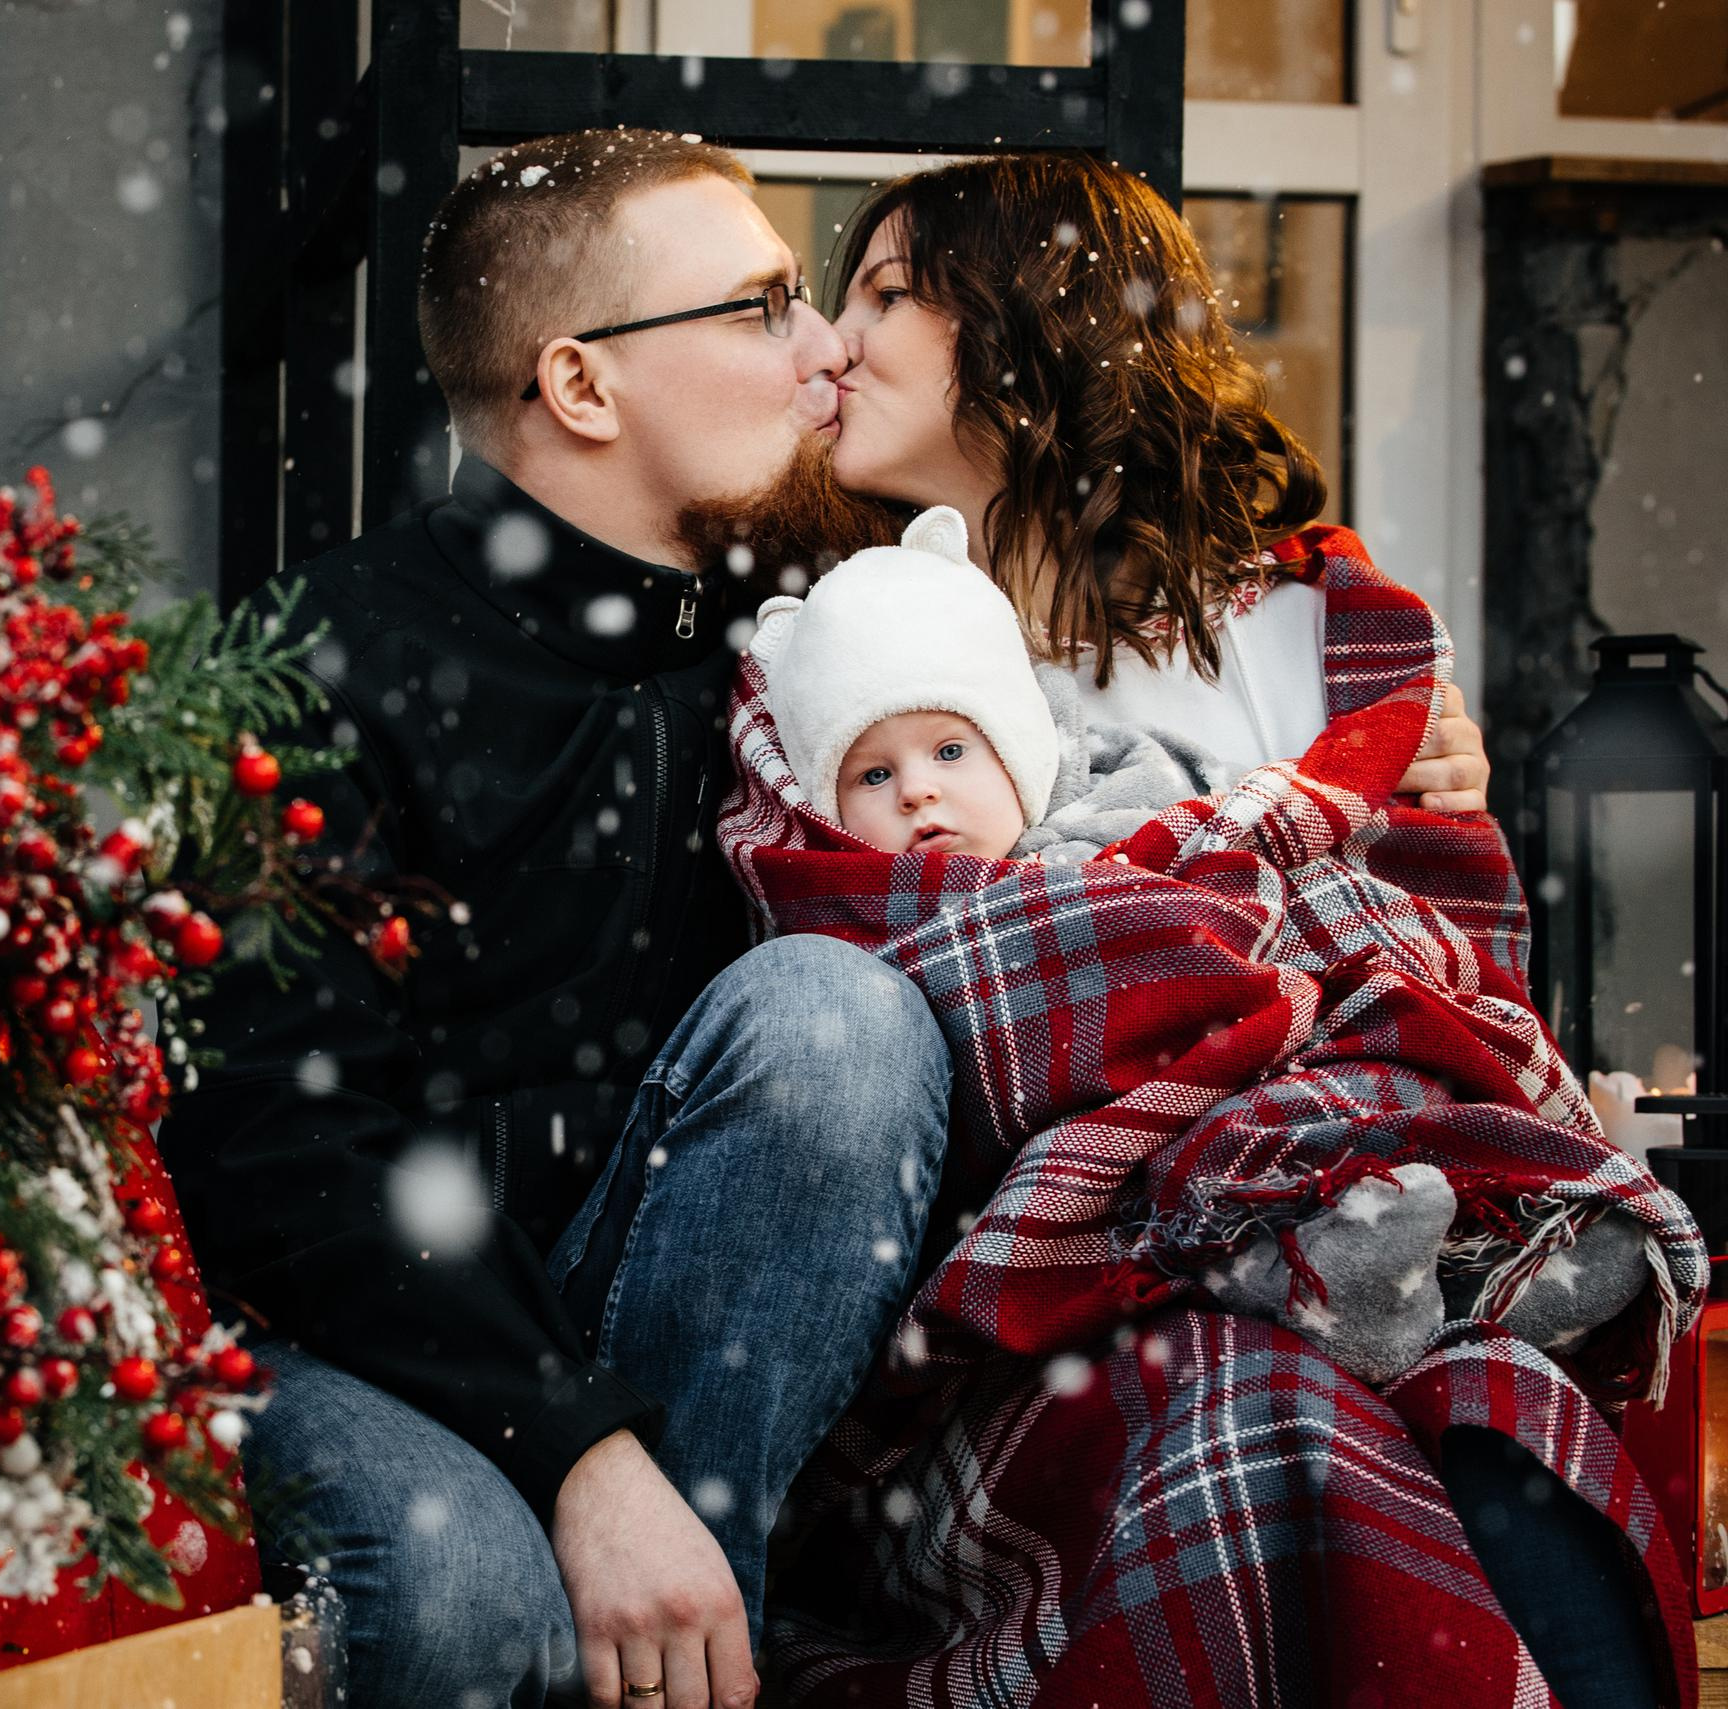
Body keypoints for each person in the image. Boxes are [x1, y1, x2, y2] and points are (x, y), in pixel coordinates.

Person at [785, 149, 1677, 1709]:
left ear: (1032, 321)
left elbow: (1436, 960)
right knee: (1247, 1398)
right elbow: (884, 964)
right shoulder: (851, 654)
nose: (836, 341)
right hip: (1045, 1272)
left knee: (1502, 1414)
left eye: (888, 294)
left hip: (1361, 1191)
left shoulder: (1312, 631)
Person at [160, 130, 936, 1709]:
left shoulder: (814, 628)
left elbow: (1105, 572)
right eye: (763, 305)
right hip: (356, 1326)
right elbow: (274, 1142)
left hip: (658, 1285)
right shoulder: (324, 660)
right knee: (459, 1580)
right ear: (580, 385)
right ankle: (631, 1579)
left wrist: (1376, 675)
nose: (822, 347)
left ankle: (687, 1645)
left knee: (837, 1018)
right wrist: (580, 1452)